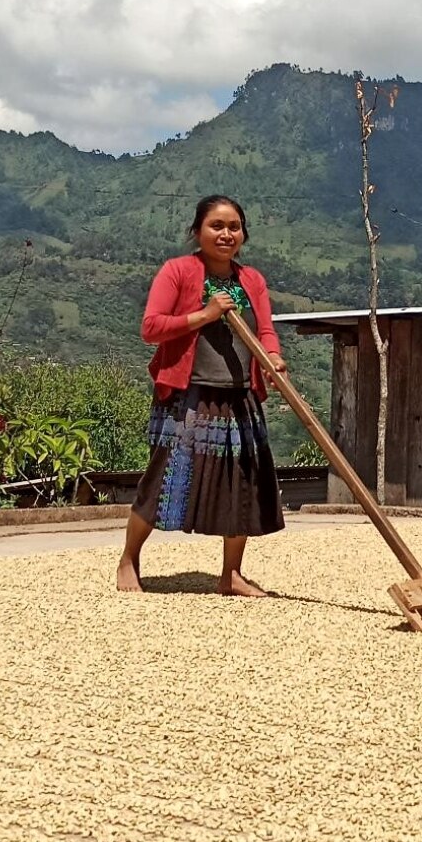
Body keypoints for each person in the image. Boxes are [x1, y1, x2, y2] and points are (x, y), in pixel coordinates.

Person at [116, 195, 287, 596]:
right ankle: (129, 560)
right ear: (197, 231)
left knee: (242, 484)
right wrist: (205, 315)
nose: (226, 234)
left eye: (234, 227)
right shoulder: (178, 272)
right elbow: (151, 327)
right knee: (164, 479)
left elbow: (265, 331)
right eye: (216, 225)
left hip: (239, 396)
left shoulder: (253, 281)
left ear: (243, 234)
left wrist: (273, 358)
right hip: (188, 395)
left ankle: (231, 574)